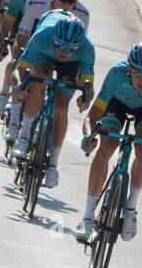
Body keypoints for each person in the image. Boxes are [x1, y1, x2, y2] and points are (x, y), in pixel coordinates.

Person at [75, 44, 142, 243]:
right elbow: (93, 115)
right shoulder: (116, 74)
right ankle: (87, 216)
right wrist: (88, 135)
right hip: (117, 105)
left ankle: (130, 207)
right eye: (137, 74)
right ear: (129, 69)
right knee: (107, 145)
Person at [12, 13, 96, 189]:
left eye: (70, 48)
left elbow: (88, 84)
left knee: (61, 107)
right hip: (44, 55)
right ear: (54, 38)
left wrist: (85, 99)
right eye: (60, 46)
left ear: (79, 45)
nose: (64, 52)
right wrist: (21, 86)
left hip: (71, 66)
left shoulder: (87, 49)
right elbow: (22, 68)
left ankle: (53, 164)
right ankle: (24, 135)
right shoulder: (42, 36)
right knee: (39, 79)